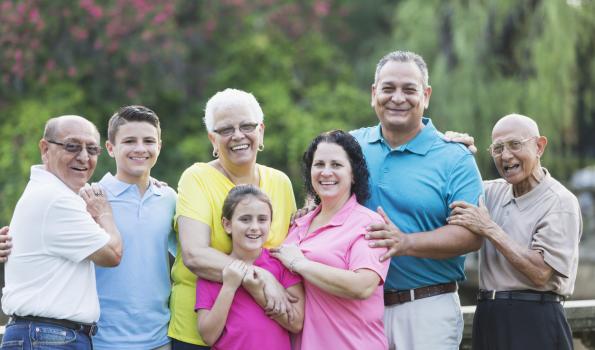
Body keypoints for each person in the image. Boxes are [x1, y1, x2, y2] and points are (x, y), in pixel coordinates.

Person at [355, 50, 484, 349]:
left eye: (409, 89)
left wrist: (405, 243)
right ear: (374, 94)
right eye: (388, 88)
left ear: (425, 95)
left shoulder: (455, 156)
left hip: (427, 308)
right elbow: (321, 184)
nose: (397, 98)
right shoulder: (351, 146)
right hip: (359, 309)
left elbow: (472, 234)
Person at [169, 88, 297, 349]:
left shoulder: (281, 183)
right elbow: (195, 255)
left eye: (247, 126)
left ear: (261, 130)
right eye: (226, 129)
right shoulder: (197, 178)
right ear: (212, 139)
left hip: (266, 336)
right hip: (201, 335)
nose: (238, 135)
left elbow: (290, 252)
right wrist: (262, 276)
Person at [448, 113, 582, 350]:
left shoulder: (560, 202)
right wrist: (452, 149)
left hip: (535, 317)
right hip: (489, 316)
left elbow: (541, 272)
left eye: (515, 145)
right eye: (498, 148)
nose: (506, 155)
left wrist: (490, 229)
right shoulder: (490, 193)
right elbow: (448, 188)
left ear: (539, 146)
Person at [1, 115, 122, 349]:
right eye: (72, 146)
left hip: (45, 335)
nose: (84, 157)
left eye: (92, 149)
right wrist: (104, 213)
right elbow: (112, 254)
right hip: (49, 337)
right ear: (45, 149)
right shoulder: (56, 199)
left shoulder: (54, 193)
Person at [271, 130, 390, 350]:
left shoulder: (368, 223)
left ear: (353, 174)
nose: (326, 172)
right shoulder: (298, 225)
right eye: (319, 164)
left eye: (336, 165)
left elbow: (362, 286)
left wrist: (301, 264)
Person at [93, 106, 177, 350]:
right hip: (102, 341)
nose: (140, 148)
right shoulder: (91, 196)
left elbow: (190, 252)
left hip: (160, 339)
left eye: (148, 141)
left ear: (159, 146)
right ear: (110, 148)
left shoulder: (169, 197)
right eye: (130, 141)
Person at [196, 185, 304, 349]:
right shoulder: (211, 271)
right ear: (227, 224)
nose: (254, 227)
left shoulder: (281, 263)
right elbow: (208, 336)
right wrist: (229, 287)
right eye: (245, 219)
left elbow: (296, 323)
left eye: (262, 219)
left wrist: (260, 292)